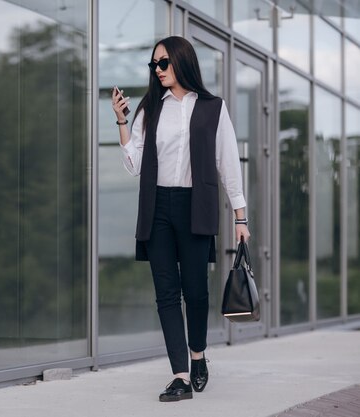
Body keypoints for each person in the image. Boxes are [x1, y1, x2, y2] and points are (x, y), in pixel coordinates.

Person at [112, 36, 250, 402]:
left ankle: (198, 354)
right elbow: (134, 165)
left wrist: (240, 217)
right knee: (167, 294)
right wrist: (122, 121)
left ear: (181, 62)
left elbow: (228, 163)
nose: (157, 70)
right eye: (153, 65)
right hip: (157, 207)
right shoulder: (149, 109)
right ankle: (180, 375)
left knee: (196, 291)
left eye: (163, 63)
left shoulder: (211, 108)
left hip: (195, 206)